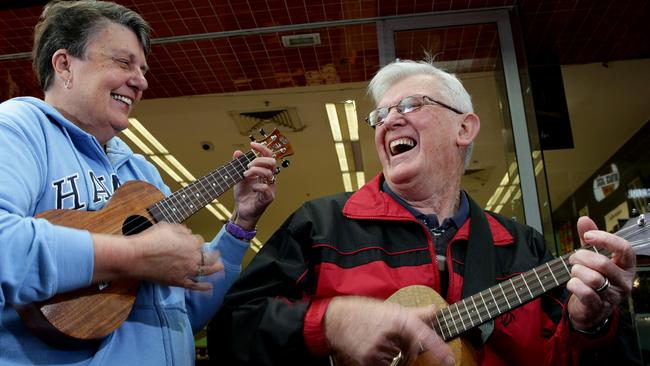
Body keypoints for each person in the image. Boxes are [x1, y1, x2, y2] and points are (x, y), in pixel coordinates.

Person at [208, 58, 638, 366]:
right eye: (381, 114)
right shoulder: (320, 224)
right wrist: (330, 322)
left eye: (411, 105)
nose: (389, 120)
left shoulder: (521, 245)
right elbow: (232, 330)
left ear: (464, 128)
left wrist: (592, 328)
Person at [0, 1, 279, 365]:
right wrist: (135, 256)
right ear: (64, 64)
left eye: (143, 69)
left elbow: (184, 314)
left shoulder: (143, 174)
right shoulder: (18, 129)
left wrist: (241, 224)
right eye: (122, 62)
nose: (141, 80)